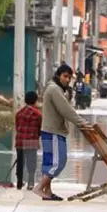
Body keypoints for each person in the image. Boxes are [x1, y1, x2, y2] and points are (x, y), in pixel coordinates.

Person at [38, 64, 90, 201]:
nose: (67, 80)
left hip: (49, 130)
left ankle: (47, 192)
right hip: (54, 131)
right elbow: (66, 110)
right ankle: (39, 188)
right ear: (58, 76)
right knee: (59, 162)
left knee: (49, 163)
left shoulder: (55, 88)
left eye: (69, 77)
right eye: (65, 76)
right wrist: (82, 123)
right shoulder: (54, 89)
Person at [14, 91, 42, 191]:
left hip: (20, 140)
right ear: (35, 101)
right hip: (32, 140)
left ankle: (19, 183)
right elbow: (40, 129)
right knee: (31, 162)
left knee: (20, 162)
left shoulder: (19, 113)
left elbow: (17, 127)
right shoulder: (38, 114)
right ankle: (30, 183)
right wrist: (37, 136)